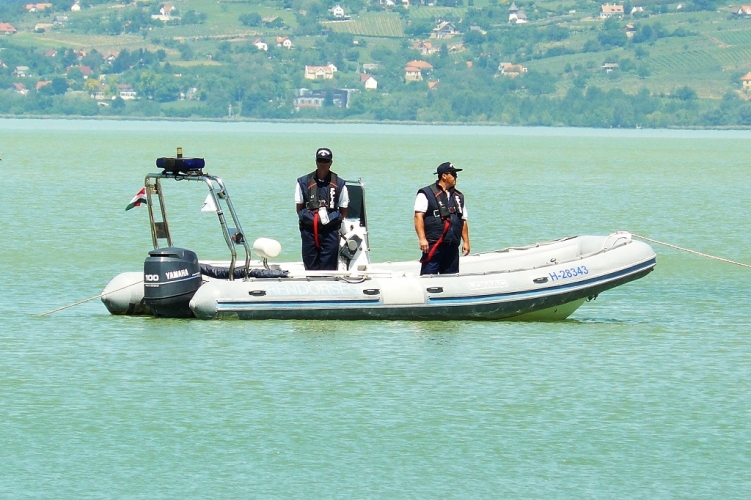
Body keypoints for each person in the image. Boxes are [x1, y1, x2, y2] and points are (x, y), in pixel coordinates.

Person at [295, 147, 349, 270]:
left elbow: (343, 211)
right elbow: (299, 208)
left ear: (331, 162)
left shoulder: (339, 184)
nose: (322, 163)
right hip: (309, 232)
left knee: (328, 268)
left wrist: (330, 221)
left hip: (330, 233)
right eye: (320, 160)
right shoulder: (303, 182)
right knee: (310, 267)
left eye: (326, 161)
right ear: (316, 161)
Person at [414, 161, 470, 275]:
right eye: (453, 174)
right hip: (434, 244)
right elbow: (418, 217)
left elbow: (463, 220)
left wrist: (466, 242)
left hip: (452, 244)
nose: (456, 177)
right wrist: (422, 239)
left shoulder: (458, 196)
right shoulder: (426, 193)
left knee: (451, 277)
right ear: (444, 176)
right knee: (428, 276)